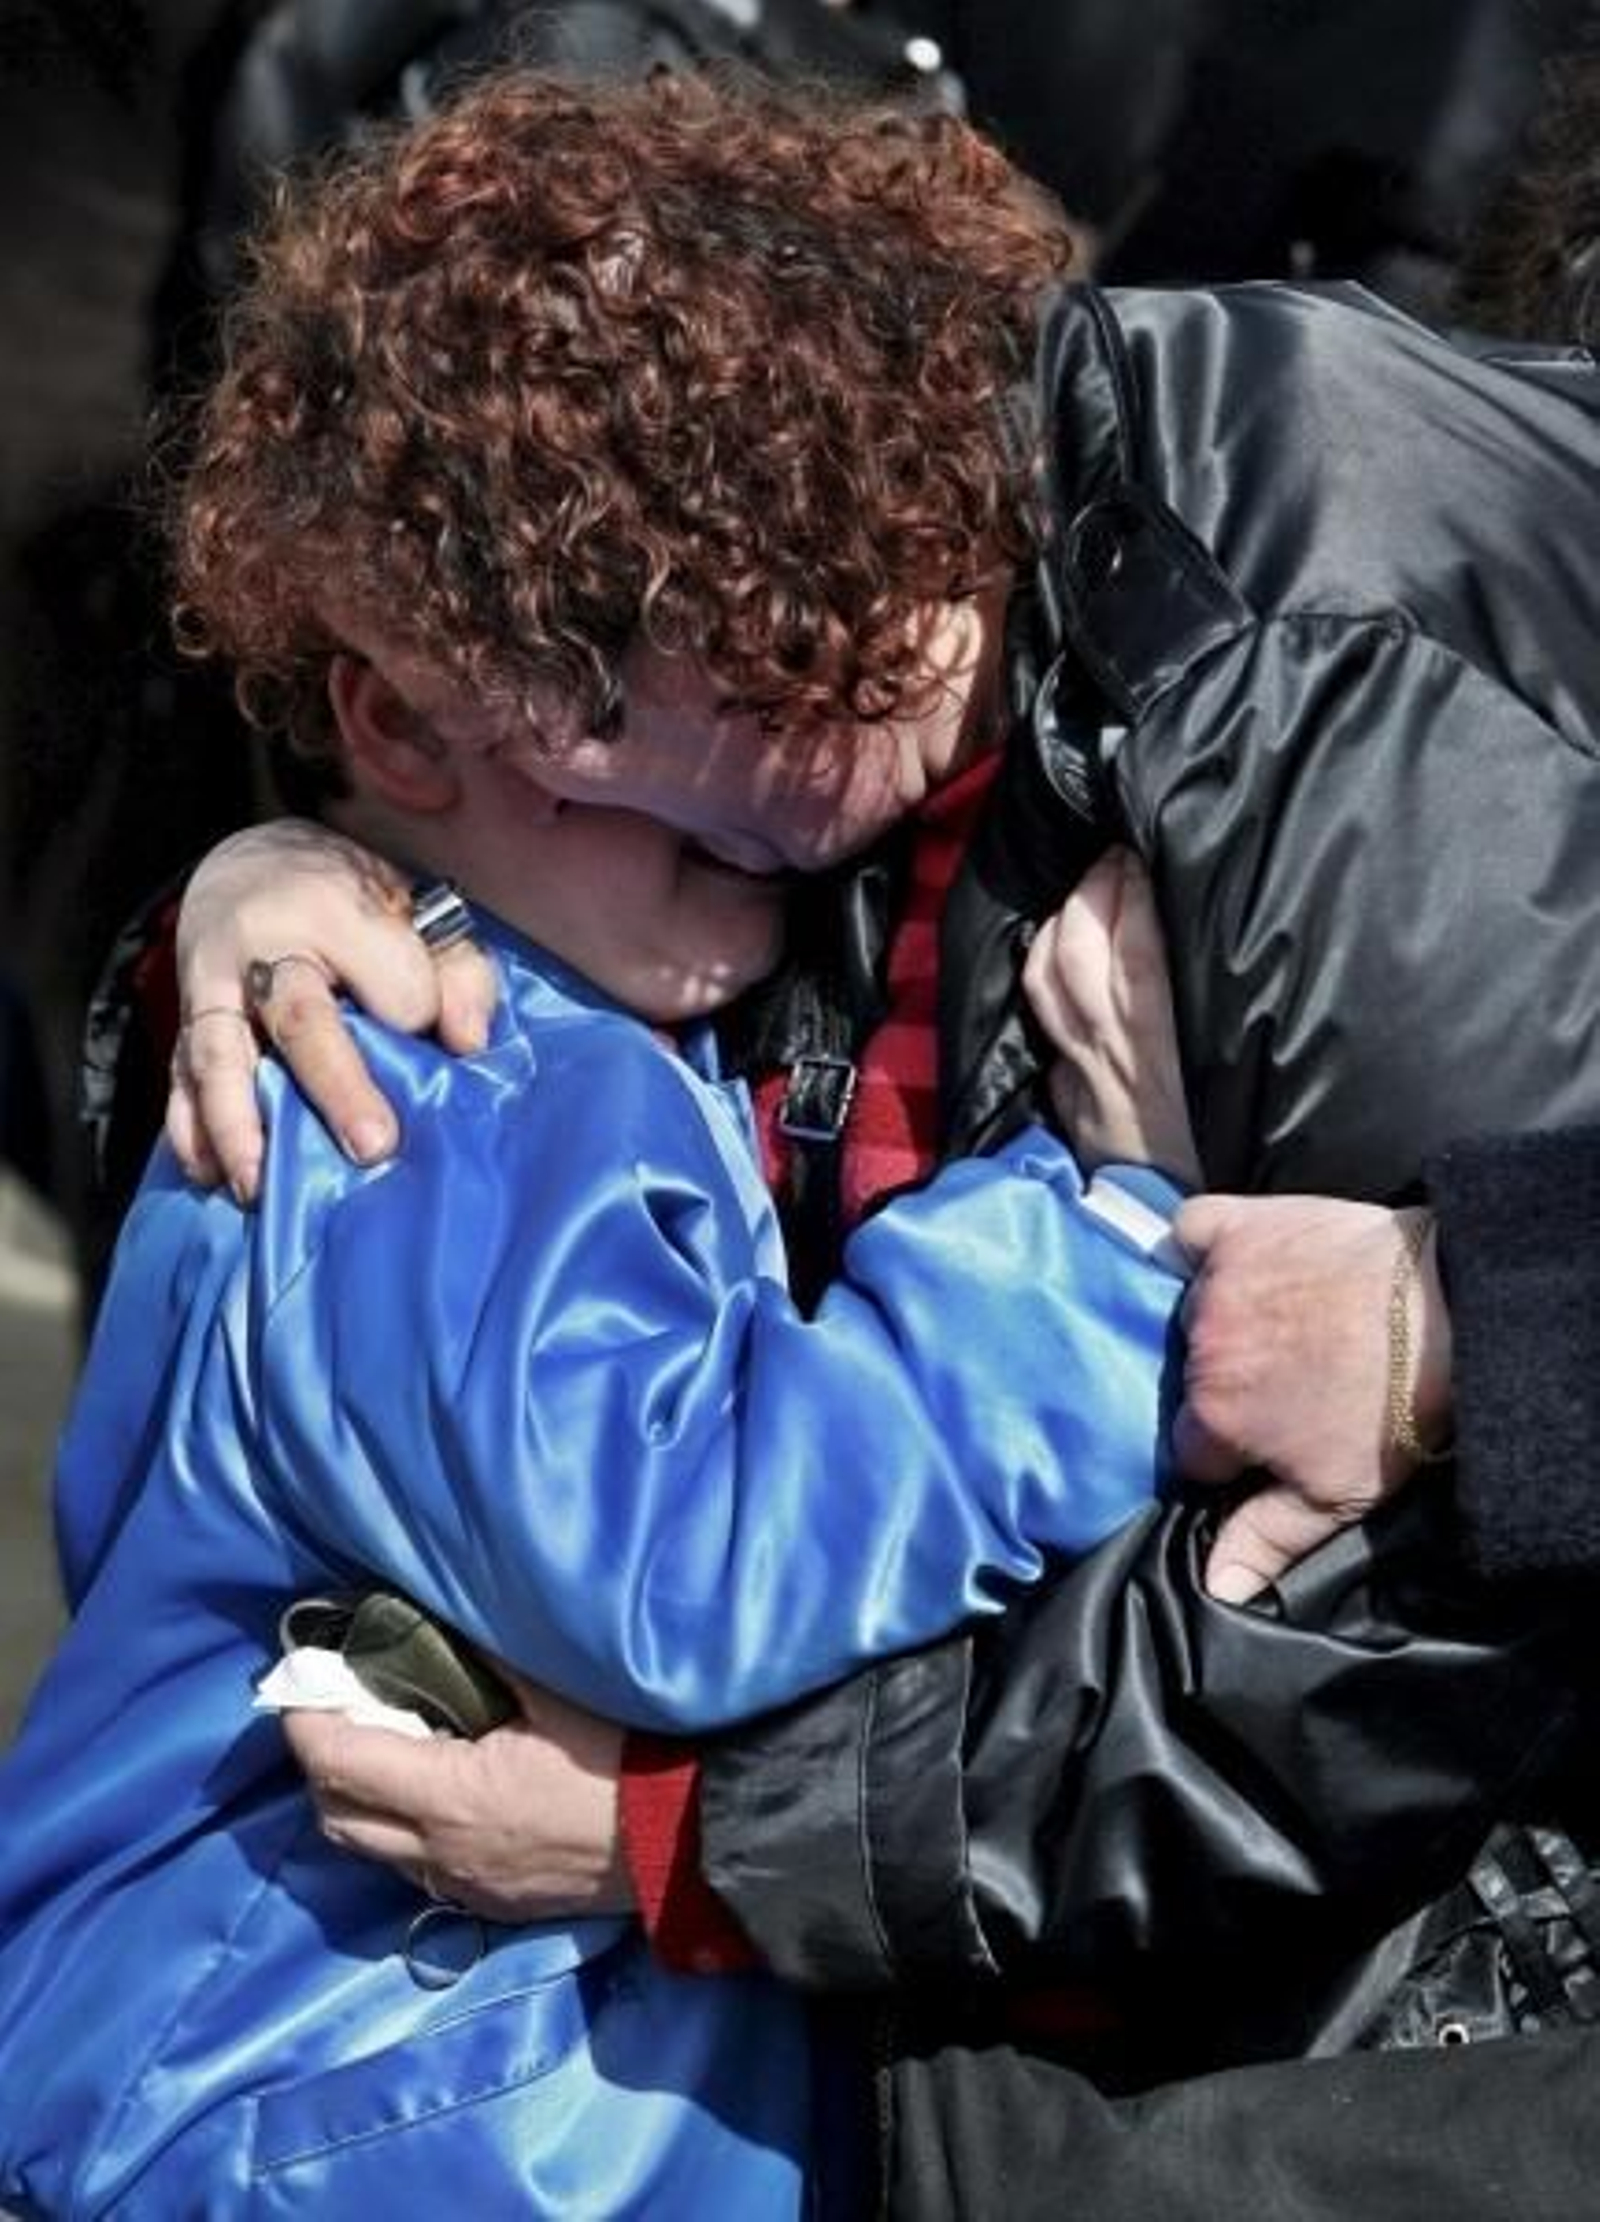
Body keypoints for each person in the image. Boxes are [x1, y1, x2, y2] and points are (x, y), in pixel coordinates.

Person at [148, 56, 1600, 2222]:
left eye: (509, 721)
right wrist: (304, 875)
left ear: (733, 592)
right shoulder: (825, 693)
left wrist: (688, 1837)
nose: (479, 761)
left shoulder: (1296, 703)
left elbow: (1386, 1637)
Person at [0, 76, 1212, 2220]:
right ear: (397, 719)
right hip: (339, 2125)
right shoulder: (430, 1076)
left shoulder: (515, 997)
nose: (753, 849)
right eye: (653, 780)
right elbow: (687, 1558)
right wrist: (1098, 1237)